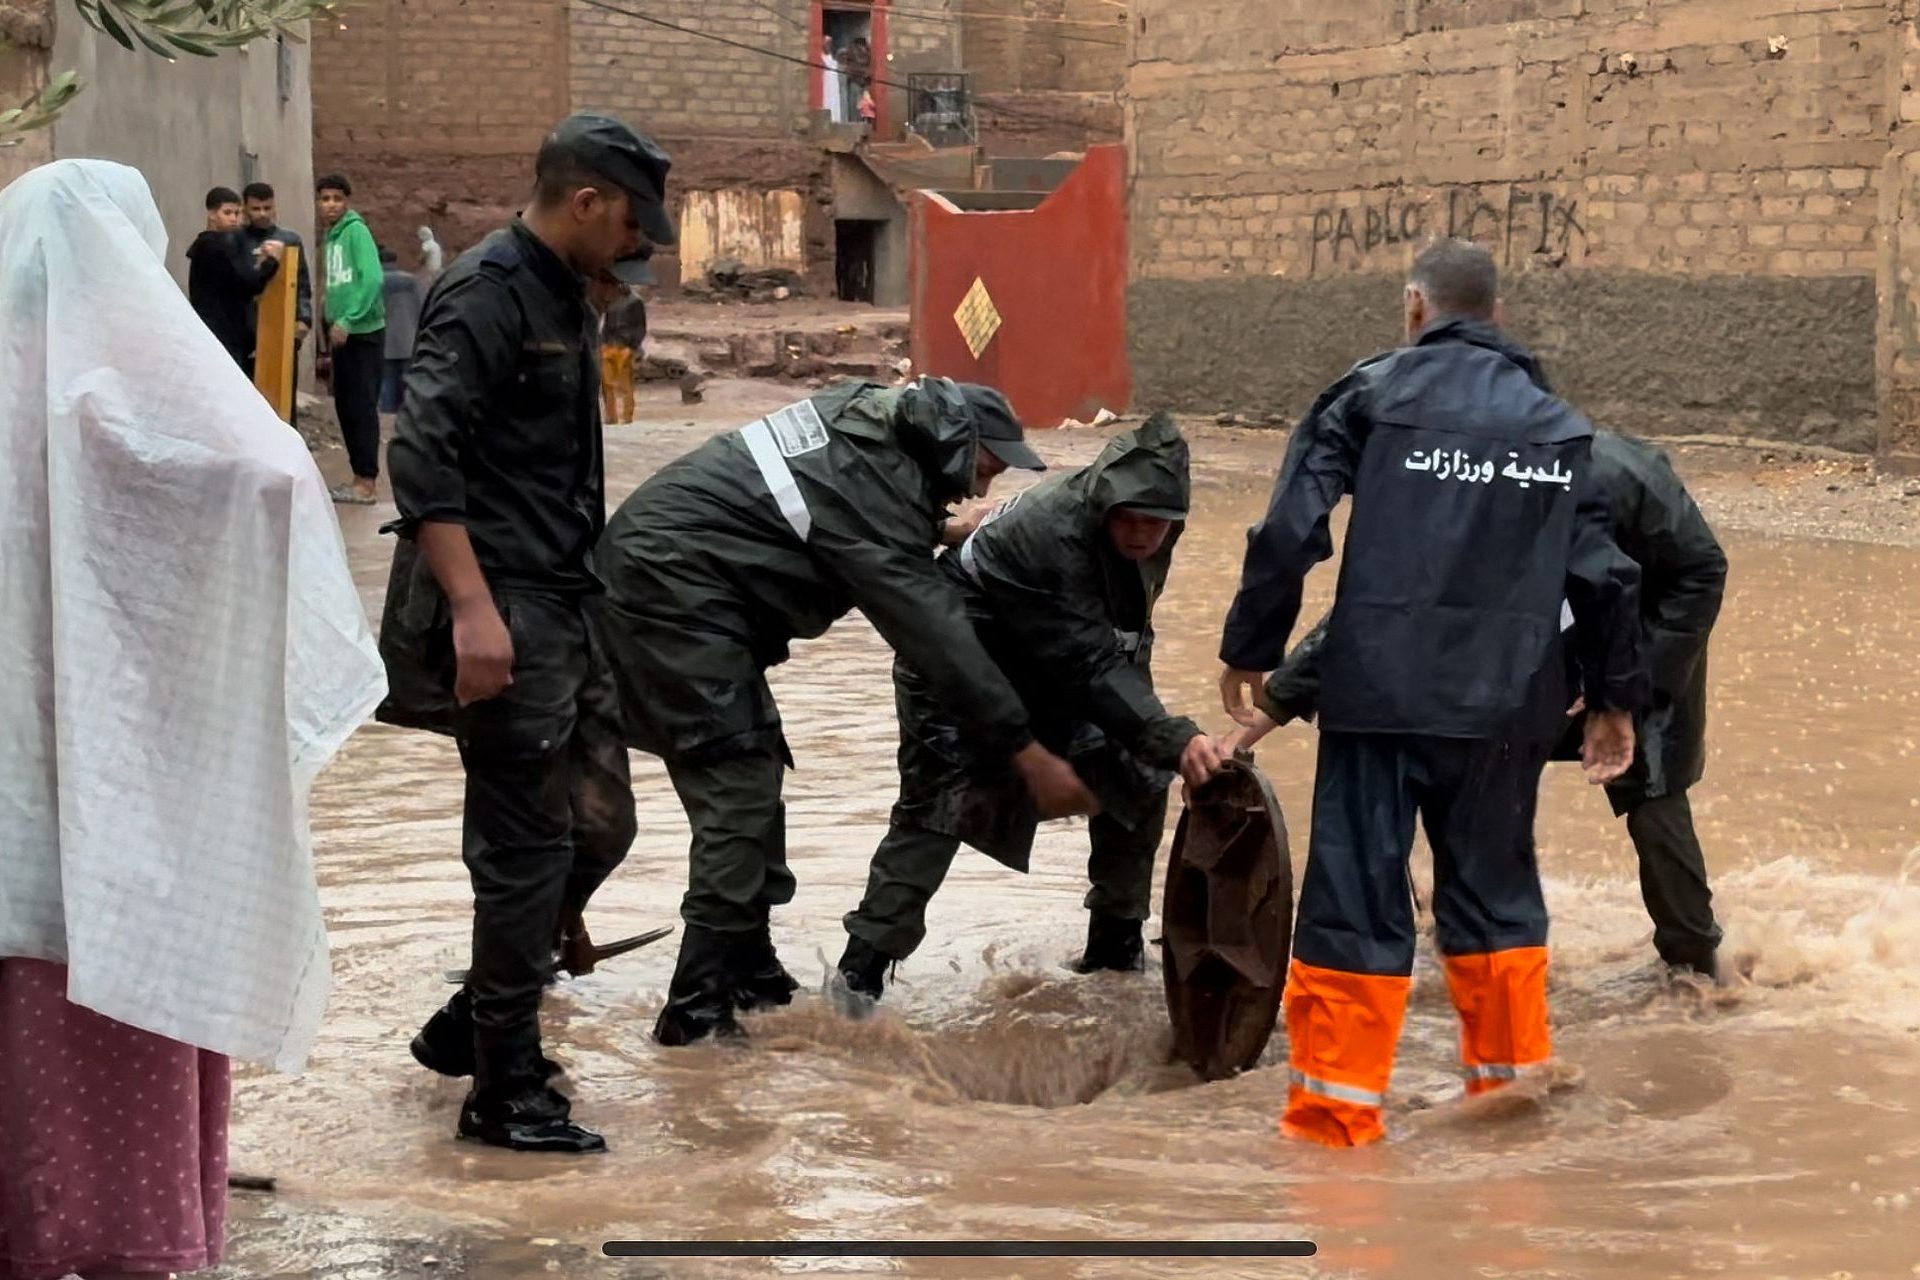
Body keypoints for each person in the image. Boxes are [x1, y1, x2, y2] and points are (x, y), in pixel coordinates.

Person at [0, 159, 384, 1280]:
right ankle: (112, 1240)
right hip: (114, 824)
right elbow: (266, 472)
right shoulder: (116, 396)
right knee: (108, 1022)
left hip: (13, 806)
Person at [1216, 238, 1648, 1148]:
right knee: (1495, 899)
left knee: (1357, 905)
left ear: (1416, 306)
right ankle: (1511, 1110)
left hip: (1381, 696)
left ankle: (1337, 1134)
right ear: (1495, 311)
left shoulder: (1370, 395)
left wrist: (1251, 646)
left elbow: (1293, 525)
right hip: (1508, 709)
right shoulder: (1559, 426)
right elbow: (1605, 579)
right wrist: (1615, 700)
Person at [594, 377, 1100, 1047]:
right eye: (982, 469)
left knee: (755, 772)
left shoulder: (866, 418)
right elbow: (938, 637)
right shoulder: (870, 488)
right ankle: (694, 1015)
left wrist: (939, 528)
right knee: (739, 794)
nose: (981, 490)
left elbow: (836, 507)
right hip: (667, 600)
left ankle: (748, 970)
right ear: (950, 444)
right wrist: (1027, 752)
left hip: (679, 589)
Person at [378, 112, 675, 1155]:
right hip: (501, 607)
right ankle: (504, 1087)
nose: (641, 243)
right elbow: (423, 459)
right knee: (522, 847)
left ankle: (472, 1020)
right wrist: (471, 611)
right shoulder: (488, 290)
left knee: (600, 822)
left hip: (564, 602)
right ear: (584, 198)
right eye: (633, 219)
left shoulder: (565, 292)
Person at [1253, 428, 1730, 981]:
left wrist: (1630, 682)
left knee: (1655, 808)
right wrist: (1273, 706)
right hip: (1518, 657)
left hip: (1639, 651)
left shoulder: (1626, 480)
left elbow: (1701, 571)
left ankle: (1696, 969)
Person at [834, 414, 1228, 1006]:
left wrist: (1162, 741)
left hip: (1054, 655)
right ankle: (860, 973)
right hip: (958, 660)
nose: (1146, 535)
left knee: (1136, 772)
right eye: (1134, 519)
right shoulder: (1051, 533)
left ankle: (1114, 953)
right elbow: (1089, 664)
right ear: (1104, 505)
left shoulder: (1149, 535)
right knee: (940, 806)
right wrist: (1174, 735)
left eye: (1160, 523)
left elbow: (1124, 644)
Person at [317, 172, 387, 505]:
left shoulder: (356, 232)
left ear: (347, 202)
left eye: (336, 199)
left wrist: (349, 317)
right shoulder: (331, 237)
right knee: (345, 406)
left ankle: (366, 482)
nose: (330, 205)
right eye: (325, 199)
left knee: (360, 406)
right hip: (342, 335)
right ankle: (358, 477)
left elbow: (372, 279)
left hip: (363, 333)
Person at [186, 185, 282, 369]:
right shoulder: (215, 246)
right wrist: (270, 263)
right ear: (212, 214)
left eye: (237, 213)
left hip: (215, 331)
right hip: (222, 333)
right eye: (227, 212)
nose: (233, 219)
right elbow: (248, 283)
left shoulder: (209, 244)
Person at [240, 180, 314, 376]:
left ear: (274, 207)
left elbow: (302, 283)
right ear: (245, 208)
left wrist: (304, 318)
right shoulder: (237, 240)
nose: (262, 213)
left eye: (267, 208)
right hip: (244, 327)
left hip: (282, 327)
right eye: (256, 208)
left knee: (282, 388)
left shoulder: (290, 240)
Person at [597, 254, 650, 427]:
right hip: (608, 345)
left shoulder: (636, 301)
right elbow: (606, 323)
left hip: (624, 347)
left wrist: (633, 346)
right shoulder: (611, 299)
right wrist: (602, 342)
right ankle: (611, 417)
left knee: (625, 385)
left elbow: (640, 327)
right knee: (607, 384)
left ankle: (627, 417)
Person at [379, 245, 427, 414]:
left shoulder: (376, 282)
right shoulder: (412, 281)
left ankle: (388, 421)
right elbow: (424, 308)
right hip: (410, 340)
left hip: (386, 343)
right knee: (408, 385)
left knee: (387, 385)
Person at [820, 35, 845, 123]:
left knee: (834, 102)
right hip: (826, 84)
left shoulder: (832, 58)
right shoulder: (821, 57)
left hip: (834, 85)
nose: (829, 46)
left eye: (830, 44)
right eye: (827, 44)